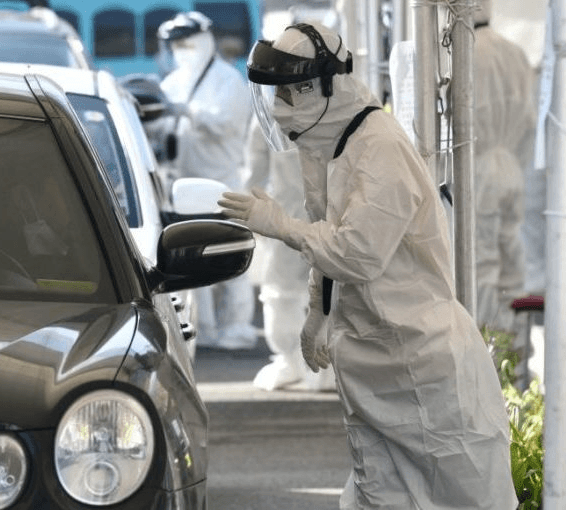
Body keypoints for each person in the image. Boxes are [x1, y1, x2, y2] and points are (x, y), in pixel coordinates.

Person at [218, 21, 517, 509]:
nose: (279, 110)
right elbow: (328, 232)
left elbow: (357, 252)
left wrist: (279, 225)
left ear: (320, 86)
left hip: (422, 365)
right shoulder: (328, 146)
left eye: (289, 95)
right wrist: (318, 311)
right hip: (373, 363)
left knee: (460, 498)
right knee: (377, 498)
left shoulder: (377, 147)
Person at [157, 11, 256, 350]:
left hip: (222, 182)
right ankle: (206, 328)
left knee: (229, 251)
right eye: (177, 45)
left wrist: (188, 113)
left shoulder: (227, 80)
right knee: (195, 257)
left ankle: (239, 326)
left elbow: (226, 124)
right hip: (185, 186)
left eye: (188, 43)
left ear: (204, 40)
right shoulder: (174, 81)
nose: (183, 50)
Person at [245, 115, 334, 391]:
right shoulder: (340, 105)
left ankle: (295, 364)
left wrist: (252, 215)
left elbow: (254, 174)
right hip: (332, 217)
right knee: (334, 289)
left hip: (288, 217)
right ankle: (321, 367)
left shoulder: (270, 115)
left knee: (281, 292)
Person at [472, 0, 537, 337]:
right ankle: (516, 348)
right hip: (510, 166)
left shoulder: (462, 54)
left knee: (480, 264)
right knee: (510, 256)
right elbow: (529, 121)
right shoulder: (514, 53)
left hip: (478, 170)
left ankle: (485, 351)